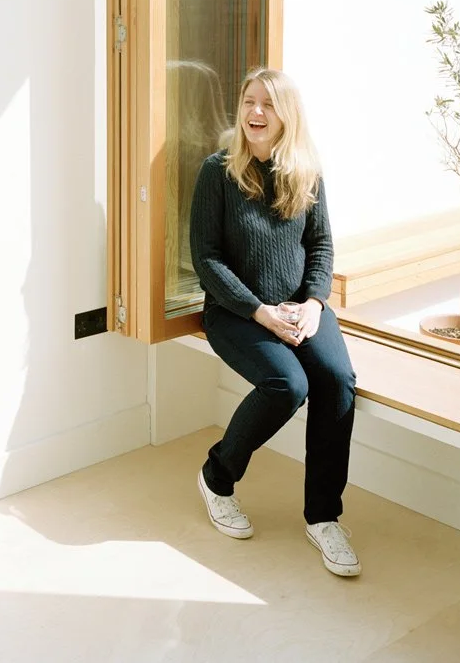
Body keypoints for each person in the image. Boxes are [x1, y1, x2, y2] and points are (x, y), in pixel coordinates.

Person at [189, 67, 360, 577]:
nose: (256, 112)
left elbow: (322, 246)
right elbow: (207, 259)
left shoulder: (306, 172)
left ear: (287, 116)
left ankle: (324, 517)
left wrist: (313, 304)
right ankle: (218, 476)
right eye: (248, 102)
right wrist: (259, 312)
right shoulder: (216, 172)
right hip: (236, 311)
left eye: (267, 104)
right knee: (286, 384)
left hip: (297, 308)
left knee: (336, 380)